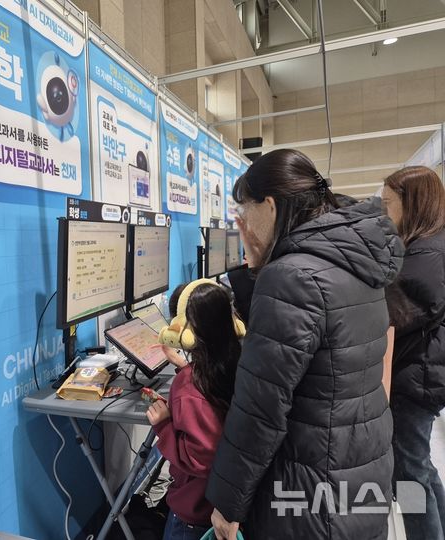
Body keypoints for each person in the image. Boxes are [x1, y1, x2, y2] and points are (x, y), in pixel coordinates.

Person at [206, 149, 404, 540]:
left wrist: (228, 503)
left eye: (244, 215)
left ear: (270, 205)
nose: (242, 228)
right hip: (360, 462)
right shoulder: (356, 260)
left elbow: (260, 410)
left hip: (313, 487)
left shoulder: (291, 276)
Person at [146, 281, 242, 540]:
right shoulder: (238, 360)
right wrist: (183, 366)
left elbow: (200, 457)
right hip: (229, 503)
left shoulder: (189, 386)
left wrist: (164, 425)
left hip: (195, 516)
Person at [382, 166, 445, 539]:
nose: (385, 213)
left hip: (417, 380)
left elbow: (392, 313)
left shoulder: (426, 256)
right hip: (422, 373)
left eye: (389, 204)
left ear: (413, 204)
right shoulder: (427, 247)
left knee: (410, 474)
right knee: (418, 466)